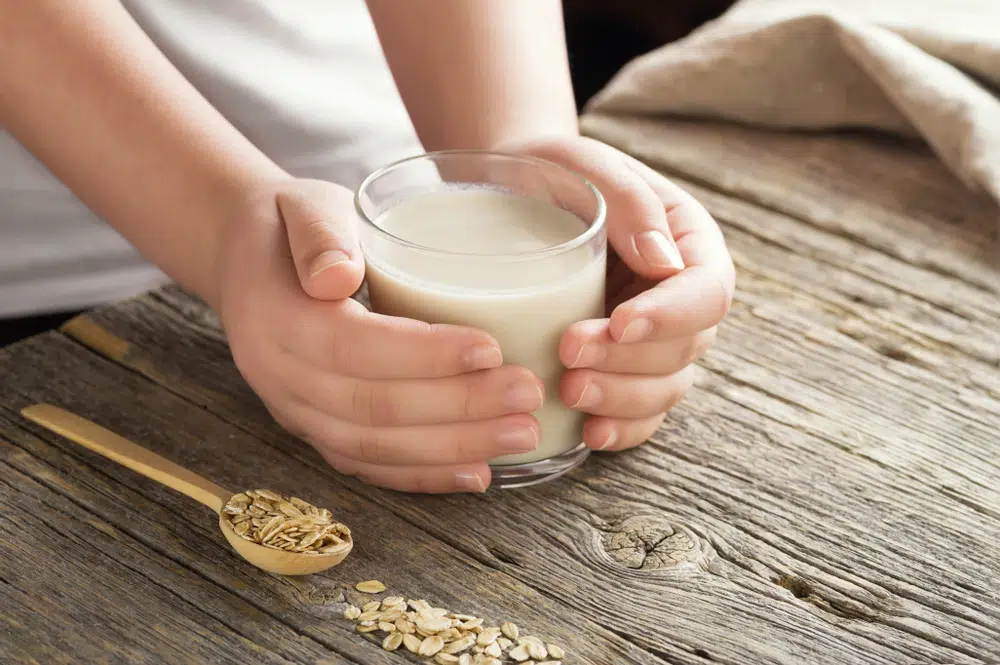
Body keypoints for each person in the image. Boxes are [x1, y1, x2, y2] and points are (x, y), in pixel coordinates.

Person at [0, 0, 735, 493]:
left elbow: (510, 157)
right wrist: (217, 222)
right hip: (49, 284)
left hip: (387, 159)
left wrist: (514, 143)